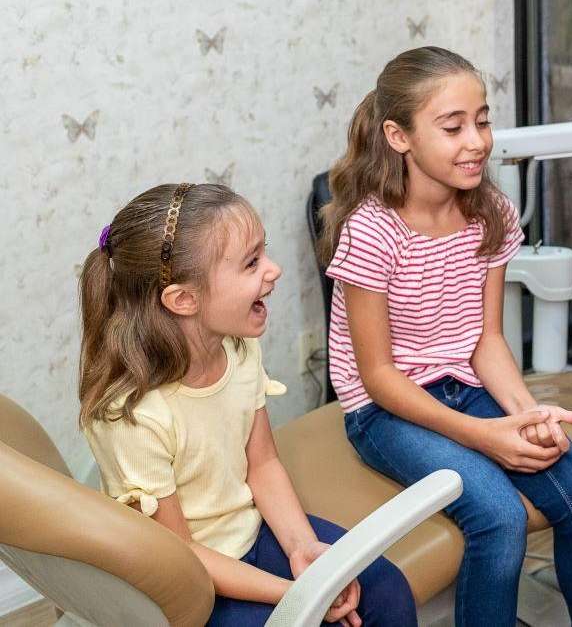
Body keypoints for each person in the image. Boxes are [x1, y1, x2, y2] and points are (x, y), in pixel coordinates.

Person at [318, 46, 572, 627]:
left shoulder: (493, 214)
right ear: (399, 137)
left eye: (481, 120)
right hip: (384, 409)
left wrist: (528, 417)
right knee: (498, 515)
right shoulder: (373, 232)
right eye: (452, 127)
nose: (477, 140)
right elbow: (377, 377)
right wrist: (485, 436)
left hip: (465, 382)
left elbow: (486, 341)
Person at [79, 183, 416, 626]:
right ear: (184, 300)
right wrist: (300, 593)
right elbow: (180, 555)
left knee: (386, 589)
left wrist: (302, 548)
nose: (273, 271)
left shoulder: (238, 351)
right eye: (251, 263)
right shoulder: (134, 415)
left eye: (265, 253)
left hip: (250, 535)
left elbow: (262, 466)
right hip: (189, 580)